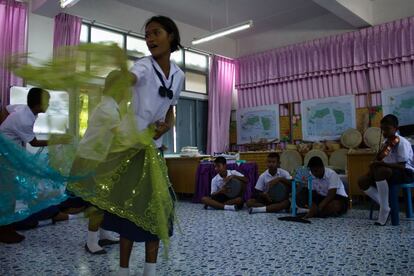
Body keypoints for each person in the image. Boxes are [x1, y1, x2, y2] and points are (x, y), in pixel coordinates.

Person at [97, 16, 185, 276]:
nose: (150, 39)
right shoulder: (144, 66)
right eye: (147, 35)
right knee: (129, 212)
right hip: (132, 150)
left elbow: (171, 110)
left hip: (154, 151)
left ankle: (150, 269)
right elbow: (131, 79)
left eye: (156, 33)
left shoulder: (178, 75)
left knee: (157, 211)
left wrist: (167, 125)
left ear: (171, 36)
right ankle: (123, 270)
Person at [0, 87, 71, 243]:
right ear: (39, 105)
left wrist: (4, 129)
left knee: (9, 191)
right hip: (5, 157)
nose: (49, 105)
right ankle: (4, 230)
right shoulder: (24, 119)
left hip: (9, 153)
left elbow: (5, 109)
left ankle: (7, 226)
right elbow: (34, 141)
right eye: (47, 102)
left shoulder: (22, 110)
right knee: (8, 193)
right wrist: (58, 140)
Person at [358, 114, 414, 225]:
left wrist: (382, 164)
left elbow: (402, 166)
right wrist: (373, 165)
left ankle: (384, 210)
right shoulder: (386, 142)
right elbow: (381, 158)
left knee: (381, 171)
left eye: (387, 129)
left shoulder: (402, 143)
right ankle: (385, 206)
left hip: (406, 172)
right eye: (382, 129)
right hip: (388, 172)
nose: (384, 132)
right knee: (362, 180)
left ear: (396, 129)